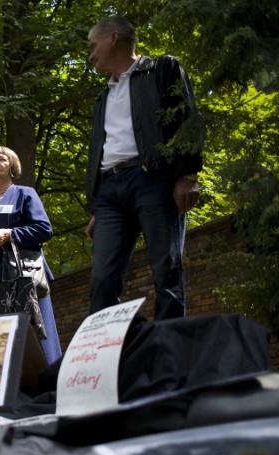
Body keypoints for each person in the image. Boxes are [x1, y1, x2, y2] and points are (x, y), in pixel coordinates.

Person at [85, 15, 203, 319]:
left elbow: (188, 121)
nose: (90, 54)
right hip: (110, 193)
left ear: (113, 37)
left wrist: (186, 175)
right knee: (101, 280)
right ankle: (123, 350)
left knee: (166, 271)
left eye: (93, 45)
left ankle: (168, 356)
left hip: (155, 180)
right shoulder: (103, 98)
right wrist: (97, 206)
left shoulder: (163, 68)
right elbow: (101, 150)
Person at [0, 146, 62, 363]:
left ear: (12, 167)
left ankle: (46, 386)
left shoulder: (25, 194)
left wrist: (10, 234)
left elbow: (44, 229)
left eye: (2, 159)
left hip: (24, 278)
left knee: (36, 335)